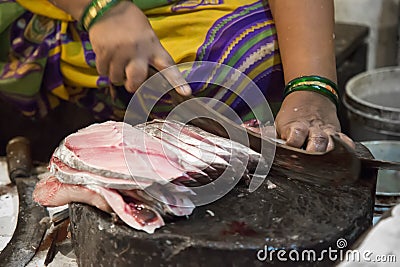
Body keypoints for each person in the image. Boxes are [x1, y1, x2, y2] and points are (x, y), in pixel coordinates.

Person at [0, 0, 354, 152]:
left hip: (196, 9)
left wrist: (312, 85)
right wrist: (100, 10)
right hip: (64, 13)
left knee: (247, 57)